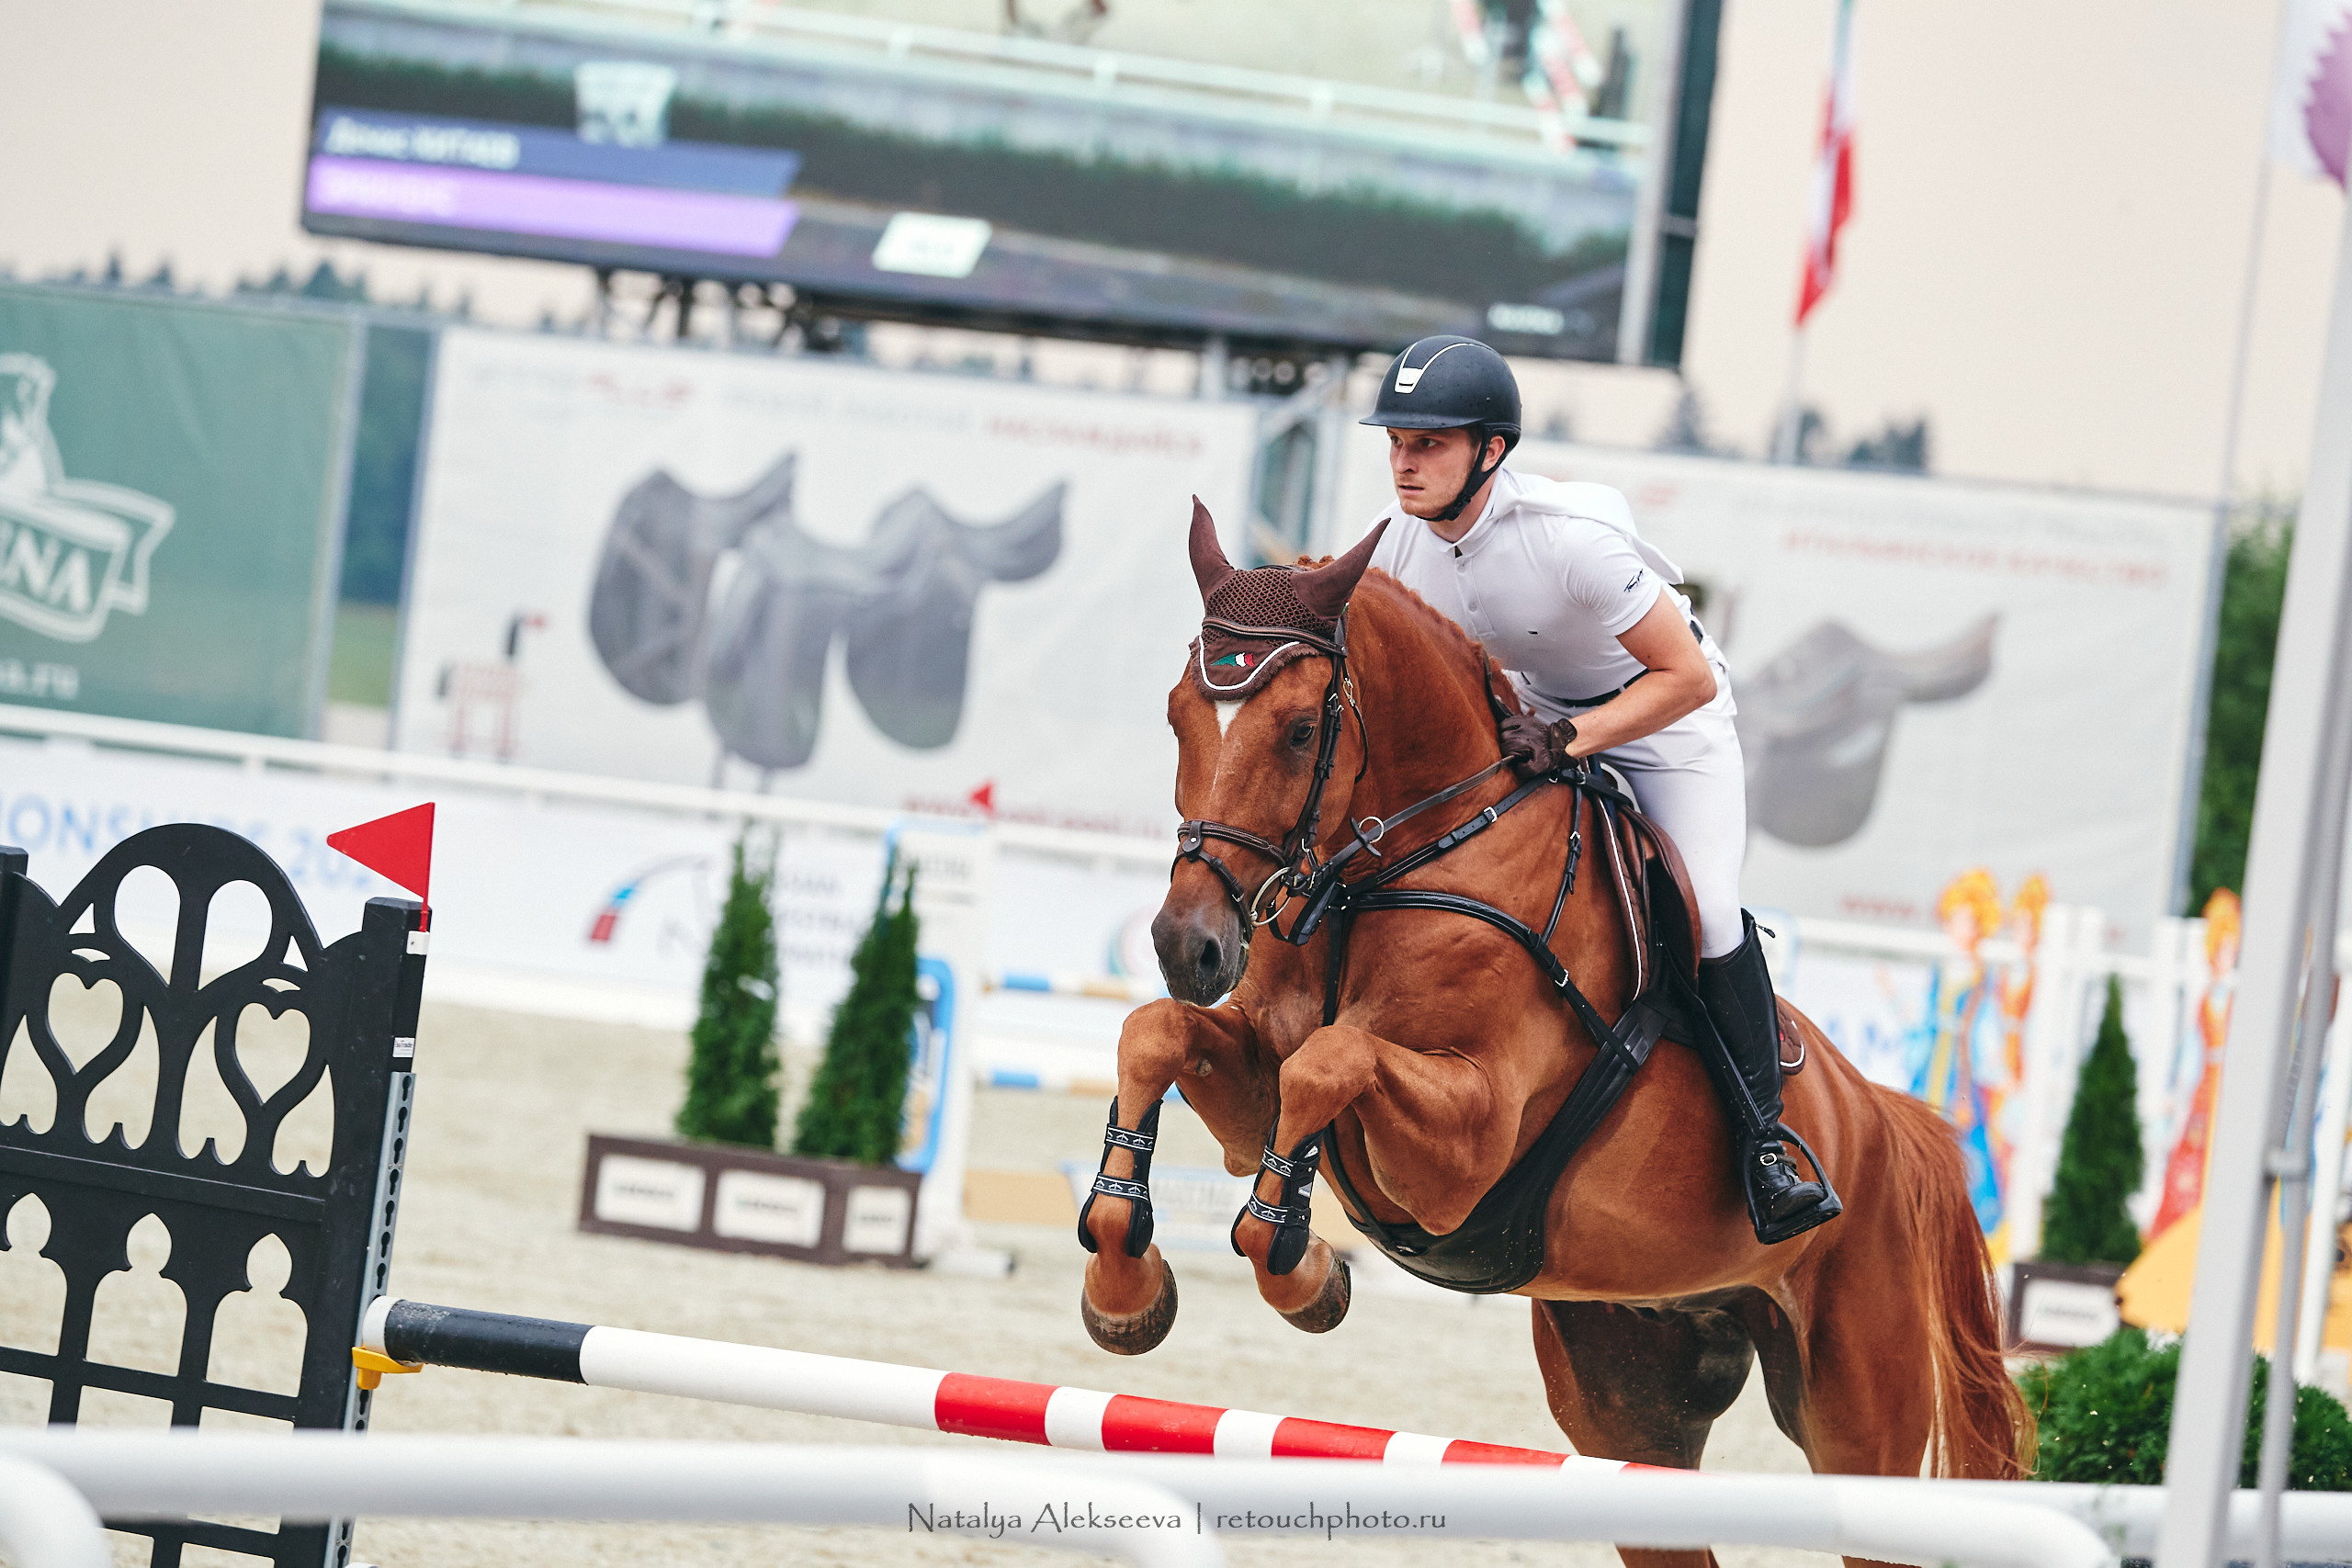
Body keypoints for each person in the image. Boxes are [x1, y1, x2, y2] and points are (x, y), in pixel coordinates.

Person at [1357, 333, 1839, 1244]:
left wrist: (1573, 737)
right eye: (1395, 442)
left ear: (1489, 451)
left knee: (1705, 911)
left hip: (1664, 725)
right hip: (1527, 730)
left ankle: (1765, 1145)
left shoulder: (1568, 542)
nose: (1404, 462)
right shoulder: (1394, 552)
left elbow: (1684, 678)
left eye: (1428, 444)